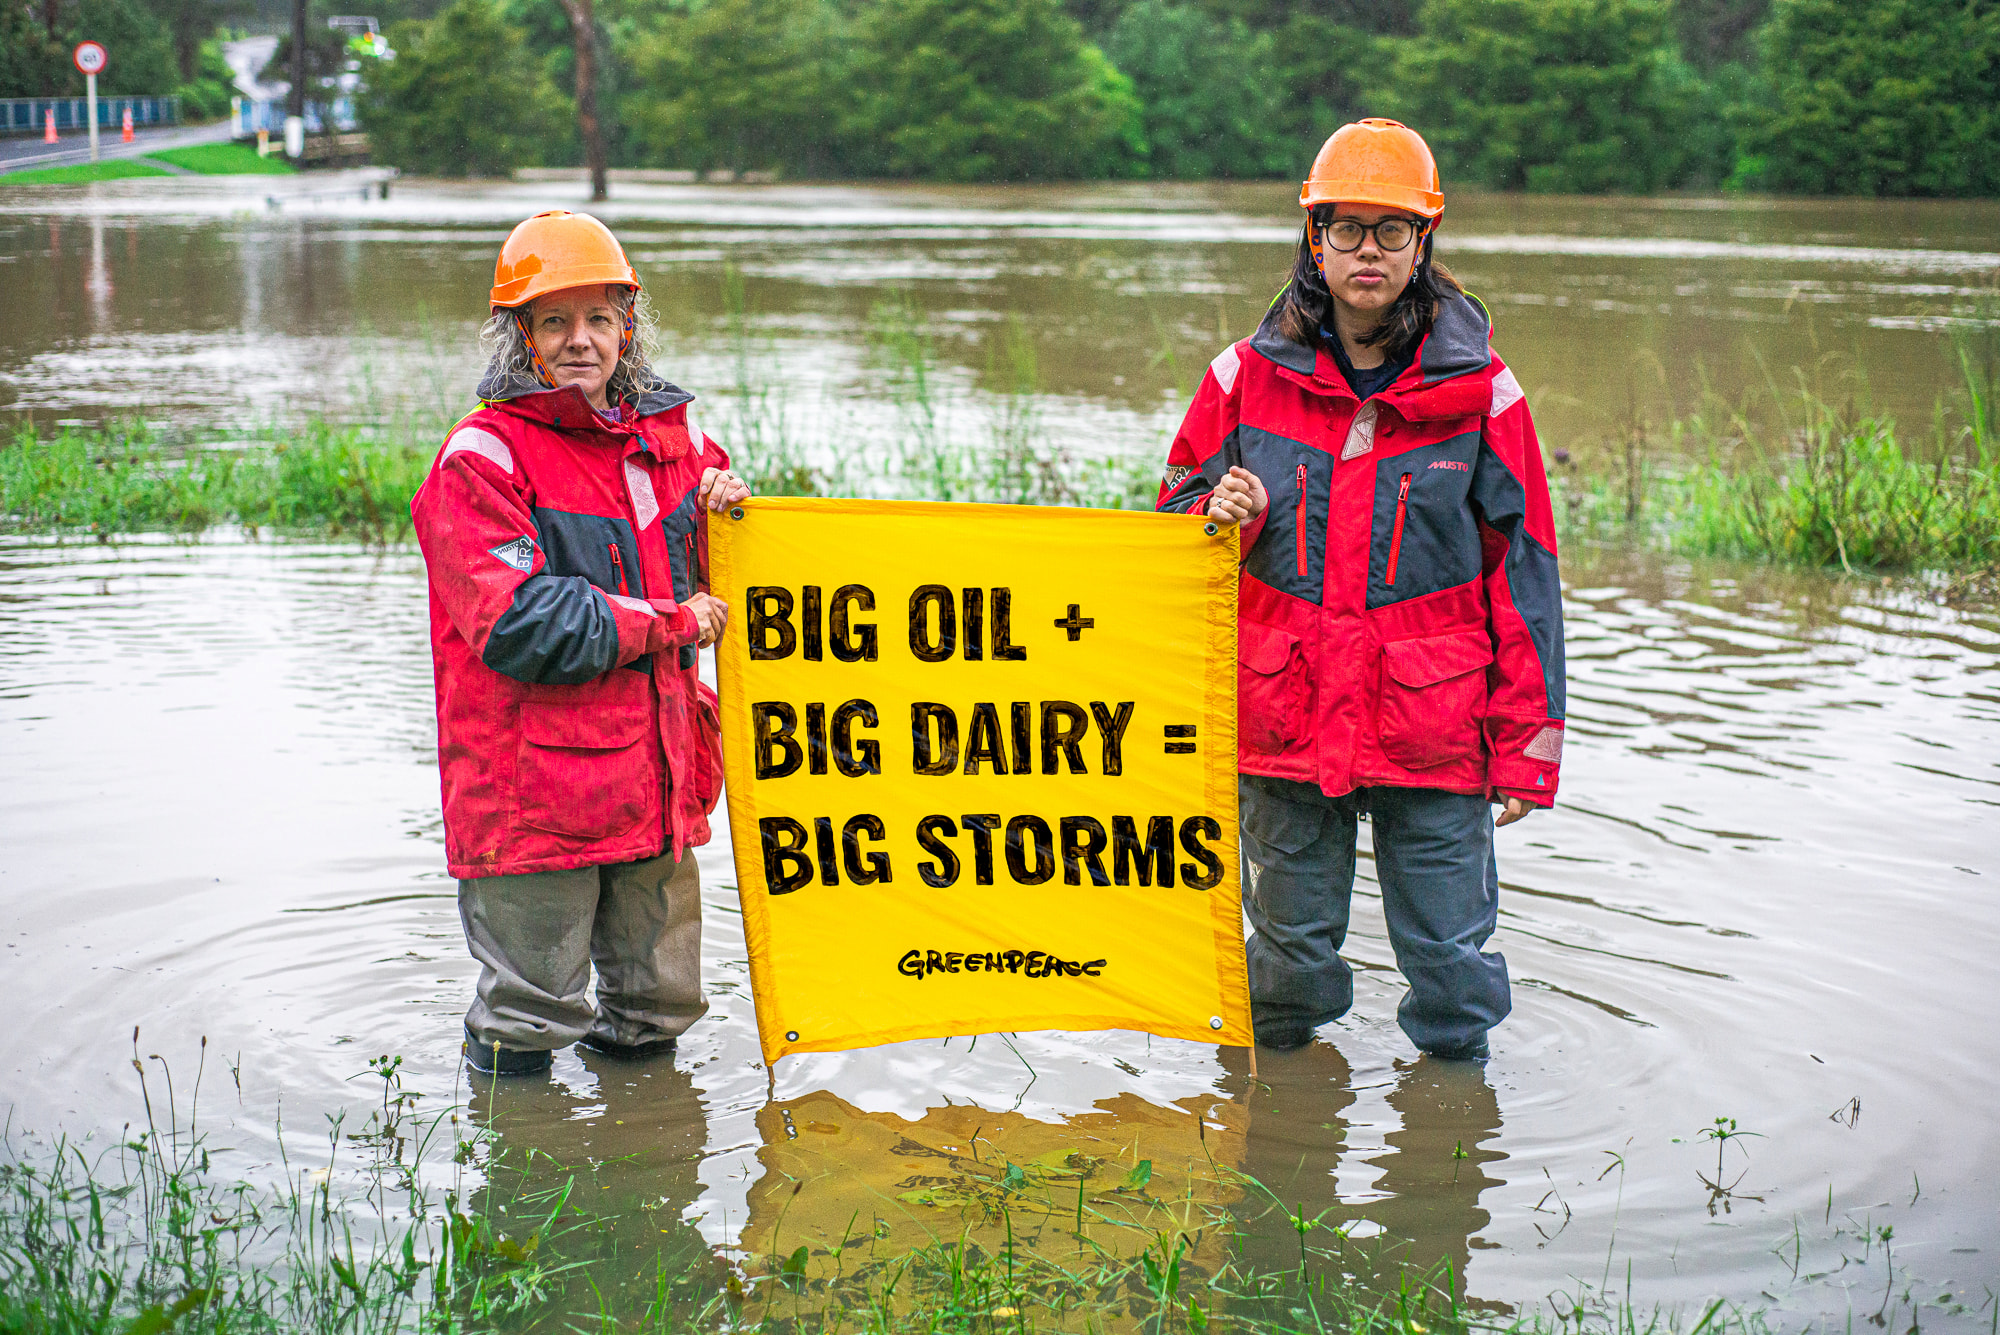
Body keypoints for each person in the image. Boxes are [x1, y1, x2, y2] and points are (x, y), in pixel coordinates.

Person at [1157, 120, 1565, 1059]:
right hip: (1284, 721)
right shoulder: (1242, 377)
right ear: (1314, 238)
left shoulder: (1484, 393)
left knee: (1453, 972)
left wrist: (1527, 744)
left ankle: (1452, 1150)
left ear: (1425, 242)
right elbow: (1169, 531)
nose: (1368, 250)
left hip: (1436, 726)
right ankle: (1276, 1141)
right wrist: (1223, 515)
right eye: (1347, 229)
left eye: (1392, 230)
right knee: (1285, 970)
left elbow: (1525, 570)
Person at [412, 210, 751, 1076]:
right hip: (534, 800)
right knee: (527, 1020)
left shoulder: (683, 446)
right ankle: (522, 1180)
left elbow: (733, 586)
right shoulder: (480, 457)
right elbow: (519, 622)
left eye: (599, 318)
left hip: (660, 782)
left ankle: (640, 1184)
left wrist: (735, 515)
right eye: (554, 321)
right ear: (518, 335)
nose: (579, 341)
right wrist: (670, 622)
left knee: (659, 1013)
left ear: (626, 327)